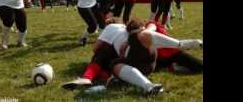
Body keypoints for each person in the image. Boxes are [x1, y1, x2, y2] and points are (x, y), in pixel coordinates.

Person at [63, 18, 202, 95]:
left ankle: (182, 43)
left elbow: (95, 49)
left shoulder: (114, 28)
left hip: (153, 53)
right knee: (115, 65)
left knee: (137, 38)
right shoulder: (128, 29)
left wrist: (134, 37)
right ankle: (149, 86)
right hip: (150, 64)